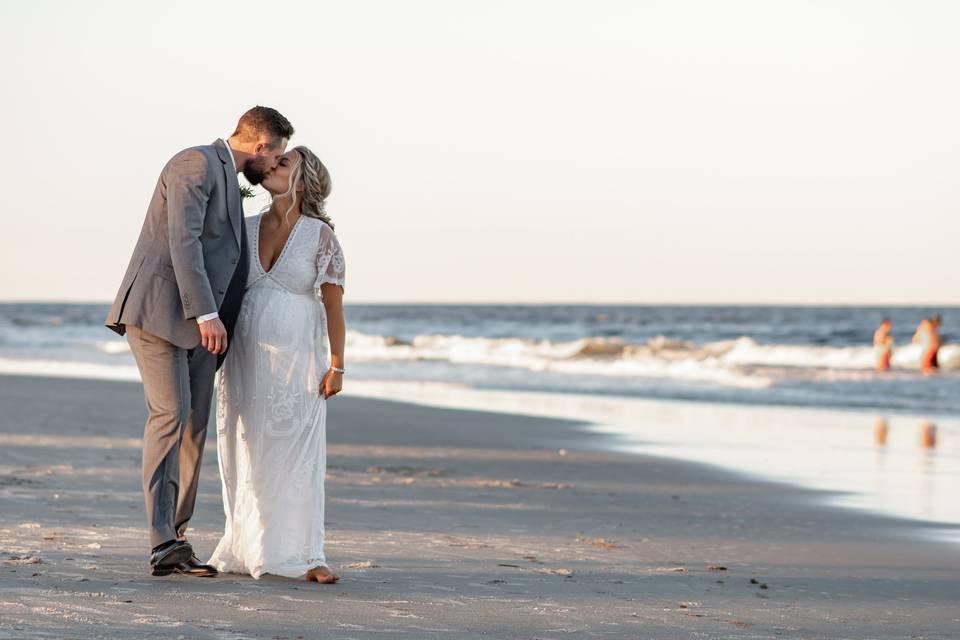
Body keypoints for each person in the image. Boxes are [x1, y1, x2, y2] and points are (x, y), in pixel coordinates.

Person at [105, 106, 295, 578]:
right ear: (261, 146)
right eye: (277, 157)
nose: (274, 166)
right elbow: (182, 240)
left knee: (194, 424)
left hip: (201, 329)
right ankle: (161, 540)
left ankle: (177, 537)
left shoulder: (230, 178)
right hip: (160, 314)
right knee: (169, 416)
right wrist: (206, 312)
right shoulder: (195, 163)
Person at [208, 146, 346, 585]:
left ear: (302, 180)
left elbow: (334, 307)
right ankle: (245, 543)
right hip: (245, 356)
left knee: (297, 452)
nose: (271, 165)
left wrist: (337, 364)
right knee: (245, 447)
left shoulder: (319, 236)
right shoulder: (244, 228)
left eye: (283, 163)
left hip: (298, 360)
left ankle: (308, 554)